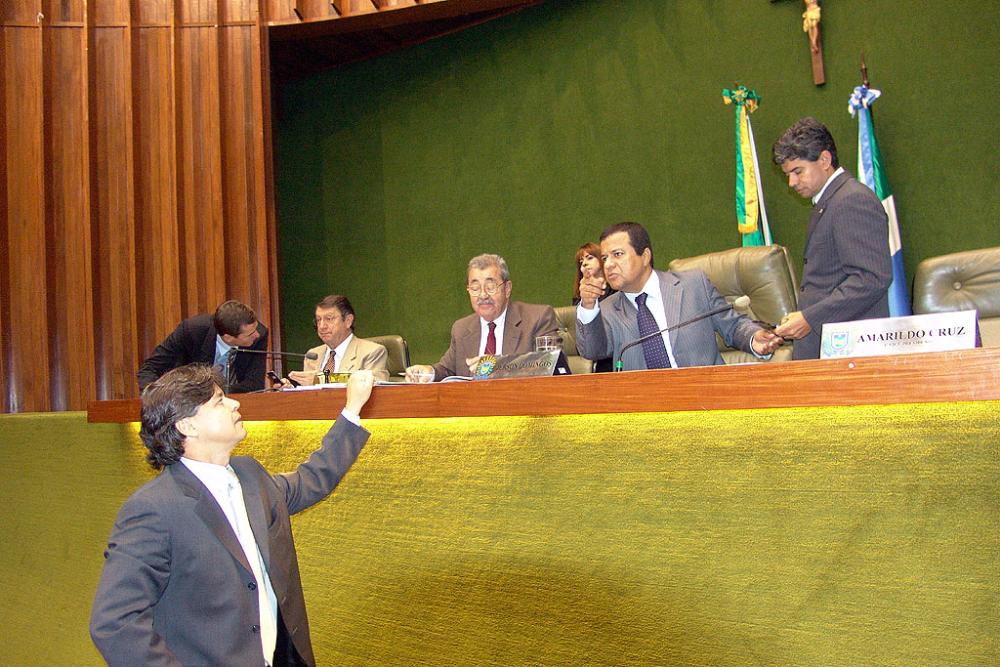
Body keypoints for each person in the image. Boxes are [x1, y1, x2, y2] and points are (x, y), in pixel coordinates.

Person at [90, 364, 375, 666]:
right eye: (219, 401)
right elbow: (115, 622)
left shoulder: (250, 475)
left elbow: (312, 480)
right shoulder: (154, 508)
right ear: (187, 425)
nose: (234, 403)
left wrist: (352, 410)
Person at [576, 222, 784, 370]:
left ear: (645, 256)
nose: (609, 265)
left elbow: (733, 326)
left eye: (618, 254)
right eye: (605, 258)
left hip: (706, 400)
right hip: (646, 410)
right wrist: (588, 307)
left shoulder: (693, 285)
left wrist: (754, 338)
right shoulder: (607, 309)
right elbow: (593, 351)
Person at [771, 117, 892, 359]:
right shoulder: (831, 201)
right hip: (830, 347)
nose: (791, 183)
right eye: (788, 175)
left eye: (797, 172)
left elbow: (871, 278)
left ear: (824, 160)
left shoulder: (852, 200)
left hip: (849, 351)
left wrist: (809, 318)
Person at [405, 253, 559, 381]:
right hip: (472, 407)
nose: (483, 295)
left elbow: (550, 364)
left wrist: (494, 366)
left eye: (490, 287)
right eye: (475, 288)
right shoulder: (461, 329)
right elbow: (447, 370)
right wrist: (429, 372)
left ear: (507, 289)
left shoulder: (537, 318)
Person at [137, 299, 269, 393]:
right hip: (188, 406)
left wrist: (209, 392)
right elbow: (150, 369)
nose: (256, 334)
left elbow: (254, 385)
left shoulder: (260, 335)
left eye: (256, 328)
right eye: (250, 334)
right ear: (228, 337)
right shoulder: (192, 331)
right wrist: (156, 398)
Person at [287, 295, 389, 385]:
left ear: (348, 321)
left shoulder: (372, 352)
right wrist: (289, 389)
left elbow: (374, 383)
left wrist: (321, 380)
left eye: (329, 319)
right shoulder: (313, 355)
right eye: (318, 320)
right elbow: (307, 395)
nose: (322, 326)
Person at [573, 242, 615, 372]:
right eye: (581, 262)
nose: (584, 264)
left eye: (590, 258)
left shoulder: (617, 291)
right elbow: (582, 342)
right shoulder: (580, 300)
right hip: (598, 363)